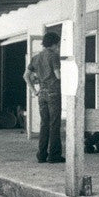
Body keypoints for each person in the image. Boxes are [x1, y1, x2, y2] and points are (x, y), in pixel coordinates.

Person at [24, 32, 63, 163]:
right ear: (54, 43)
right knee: (54, 124)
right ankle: (54, 155)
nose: (58, 46)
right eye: (57, 43)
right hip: (54, 93)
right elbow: (58, 75)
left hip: (41, 94)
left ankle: (41, 155)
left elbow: (25, 76)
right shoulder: (53, 56)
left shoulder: (36, 58)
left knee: (44, 124)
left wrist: (34, 91)